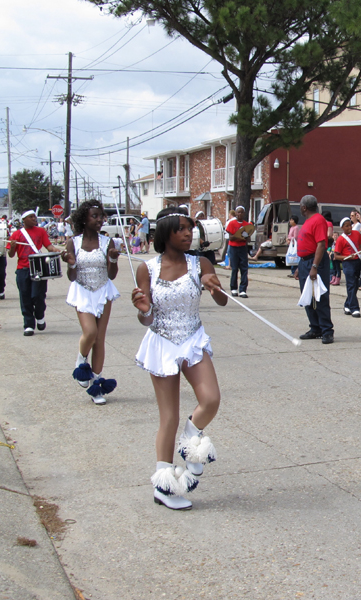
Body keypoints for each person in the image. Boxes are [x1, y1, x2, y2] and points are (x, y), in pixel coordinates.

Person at [130, 207, 228, 510]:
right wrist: (144, 308)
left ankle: (190, 442)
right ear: (165, 233)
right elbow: (146, 319)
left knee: (210, 399)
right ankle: (164, 486)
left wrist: (216, 289)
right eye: (181, 229)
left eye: (191, 228)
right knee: (168, 417)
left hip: (192, 339)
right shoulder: (147, 268)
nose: (188, 234)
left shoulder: (200, 262)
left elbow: (223, 300)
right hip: (162, 342)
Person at [65, 200, 121, 405]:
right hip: (82, 291)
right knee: (90, 332)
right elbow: (71, 276)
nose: (99, 220)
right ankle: (81, 362)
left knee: (100, 339)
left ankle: (96, 385)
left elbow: (112, 275)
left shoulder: (108, 242)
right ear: (83, 219)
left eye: (101, 216)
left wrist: (113, 260)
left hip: (103, 291)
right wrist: (71, 264)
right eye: (94, 216)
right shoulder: (74, 242)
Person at [7, 210, 66, 336]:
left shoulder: (40, 231)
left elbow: (48, 246)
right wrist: (12, 246)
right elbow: (11, 255)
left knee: (38, 296)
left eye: (35, 216)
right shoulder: (16, 234)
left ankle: (40, 316)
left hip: (39, 268)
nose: (35, 219)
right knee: (25, 297)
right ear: (24, 220)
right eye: (31, 217)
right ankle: (28, 324)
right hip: (22, 269)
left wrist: (57, 251)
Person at [297, 195, 334, 344]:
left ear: (304, 207)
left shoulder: (318, 220)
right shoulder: (308, 221)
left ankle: (327, 330)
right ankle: (315, 328)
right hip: (305, 262)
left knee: (319, 297)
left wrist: (314, 266)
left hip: (315, 262)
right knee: (307, 297)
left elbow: (321, 244)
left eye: (300, 206)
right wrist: (301, 266)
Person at [333, 217, 361, 317]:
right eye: (347, 226)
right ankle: (354, 308)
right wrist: (346, 257)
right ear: (342, 228)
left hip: (357, 261)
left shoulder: (356, 234)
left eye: (350, 225)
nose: (349, 227)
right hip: (347, 263)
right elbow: (336, 256)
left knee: (357, 284)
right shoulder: (340, 239)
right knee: (351, 285)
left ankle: (347, 305)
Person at [225, 205, 251, 297]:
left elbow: (248, 238)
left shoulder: (246, 224)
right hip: (234, 248)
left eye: (241, 212)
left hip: (242, 247)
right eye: (238, 212)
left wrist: (245, 237)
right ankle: (233, 288)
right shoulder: (232, 224)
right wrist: (240, 236)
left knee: (244, 268)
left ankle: (243, 289)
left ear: (244, 213)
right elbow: (231, 237)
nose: (239, 214)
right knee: (234, 268)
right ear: (235, 213)